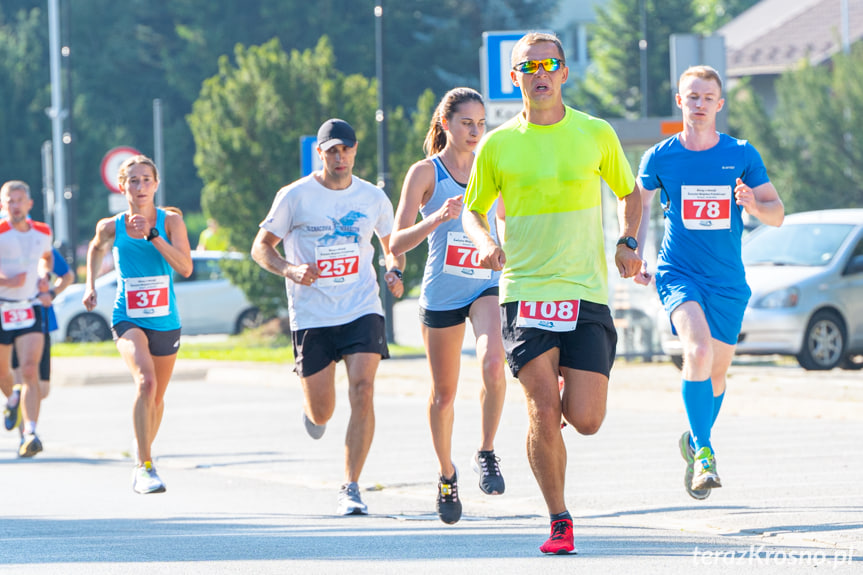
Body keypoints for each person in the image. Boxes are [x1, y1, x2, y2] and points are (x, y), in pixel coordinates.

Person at [462, 32, 642, 554]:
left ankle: (558, 411)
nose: (539, 73)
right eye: (528, 66)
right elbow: (474, 210)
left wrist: (629, 241)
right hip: (524, 290)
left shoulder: (596, 132)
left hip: (585, 289)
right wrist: (484, 242)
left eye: (549, 64)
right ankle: (559, 520)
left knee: (585, 419)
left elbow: (631, 194)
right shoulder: (498, 144)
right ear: (513, 77)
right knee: (542, 407)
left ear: (564, 72)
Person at [634, 65, 784, 500]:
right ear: (679, 101)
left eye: (706, 98)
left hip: (727, 281)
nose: (698, 104)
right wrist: (635, 252)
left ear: (719, 104)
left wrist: (754, 203)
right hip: (678, 272)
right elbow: (641, 210)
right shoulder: (660, 156)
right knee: (696, 350)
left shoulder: (740, 153)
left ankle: (694, 439)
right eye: (691, 97)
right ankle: (704, 455)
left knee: (716, 375)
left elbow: (778, 214)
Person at [251, 118, 405, 516]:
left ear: (355, 151)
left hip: (361, 307)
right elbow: (260, 247)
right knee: (323, 411)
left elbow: (393, 245)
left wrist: (394, 270)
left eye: (346, 149)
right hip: (312, 313)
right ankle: (311, 410)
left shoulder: (373, 198)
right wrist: (289, 269)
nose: (340, 157)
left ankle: (351, 486)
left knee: (364, 390)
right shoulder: (295, 196)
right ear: (319, 153)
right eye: (332, 150)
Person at [390, 87, 507, 525]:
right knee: (444, 396)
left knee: (494, 364)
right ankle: (446, 474)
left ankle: (487, 451)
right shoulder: (426, 173)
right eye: (466, 123)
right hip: (441, 293)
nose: (476, 132)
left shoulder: (490, 167)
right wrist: (437, 217)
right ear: (445, 124)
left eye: (481, 124)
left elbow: (507, 222)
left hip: (485, 286)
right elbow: (395, 242)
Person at [83, 155, 193, 494]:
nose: (140, 186)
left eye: (147, 179)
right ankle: (144, 466)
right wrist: (89, 285)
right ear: (122, 186)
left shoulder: (171, 222)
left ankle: (141, 446)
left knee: (157, 397)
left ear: (156, 185)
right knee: (145, 383)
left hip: (165, 319)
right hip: (127, 316)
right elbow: (94, 248)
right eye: (133, 180)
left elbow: (185, 267)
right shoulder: (110, 227)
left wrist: (154, 236)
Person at [0, 181, 54, 458]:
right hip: (2, 307)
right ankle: (11, 399)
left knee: (30, 369)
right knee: (3, 373)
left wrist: (44, 277)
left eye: (20, 200)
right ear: (3, 205)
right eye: (10, 201)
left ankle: (30, 432)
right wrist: (6, 280)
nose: (16, 205)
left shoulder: (43, 231)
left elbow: (46, 258)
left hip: (30, 306)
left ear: (29, 204)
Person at [11, 248, 75, 432]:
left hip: (40, 320)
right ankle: (27, 433)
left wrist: (52, 293)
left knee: (42, 389)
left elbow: (67, 275)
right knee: (21, 376)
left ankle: (19, 407)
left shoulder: (40, 243)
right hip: (10, 321)